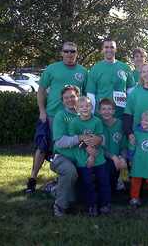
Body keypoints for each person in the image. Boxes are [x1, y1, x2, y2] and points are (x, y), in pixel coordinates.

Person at [26, 41, 88, 194]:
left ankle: (61, 181)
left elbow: (85, 96)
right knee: (42, 147)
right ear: (61, 53)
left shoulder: (83, 72)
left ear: (76, 53)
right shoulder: (52, 69)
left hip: (73, 118)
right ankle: (32, 179)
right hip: (52, 116)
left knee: (68, 149)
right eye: (66, 51)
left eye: (72, 51)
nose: (69, 54)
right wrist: (42, 111)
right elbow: (40, 91)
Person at [50, 85, 100, 217]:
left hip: (83, 157)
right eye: (66, 98)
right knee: (70, 172)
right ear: (62, 101)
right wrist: (79, 138)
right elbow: (59, 141)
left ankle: (57, 187)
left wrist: (93, 147)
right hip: (63, 157)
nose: (70, 100)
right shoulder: (61, 116)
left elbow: (95, 137)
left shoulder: (88, 115)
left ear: (78, 97)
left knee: (77, 197)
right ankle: (59, 206)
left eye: (72, 96)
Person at [69, 96, 111, 216]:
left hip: (99, 158)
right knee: (88, 183)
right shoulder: (74, 123)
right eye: (81, 106)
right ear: (76, 109)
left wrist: (93, 156)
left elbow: (99, 139)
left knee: (104, 181)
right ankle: (92, 205)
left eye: (87, 106)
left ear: (91, 107)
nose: (85, 108)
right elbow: (75, 140)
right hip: (83, 159)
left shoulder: (97, 121)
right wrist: (88, 152)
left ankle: (105, 204)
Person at [86, 39, 135, 118]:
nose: (109, 50)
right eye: (106, 47)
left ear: (116, 49)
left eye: (112, 47)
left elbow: (131, 91)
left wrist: (131, 111)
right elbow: (91, 94)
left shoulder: (125, 67)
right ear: (102, 50)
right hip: (100, 116)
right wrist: (91, 115)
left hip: (121, 115)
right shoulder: (95, 69)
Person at [99, 98, 128, 195]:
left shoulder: (120, 124)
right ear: (99, 111)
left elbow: (124, 145)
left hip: (118, 158)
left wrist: (123, 158)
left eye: (109, 109)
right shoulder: (97, 124)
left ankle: (119, 182)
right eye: (103, 109)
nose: (106, 112)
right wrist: (113, 157)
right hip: (103, 158)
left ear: (114, 111)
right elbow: (98, 147)